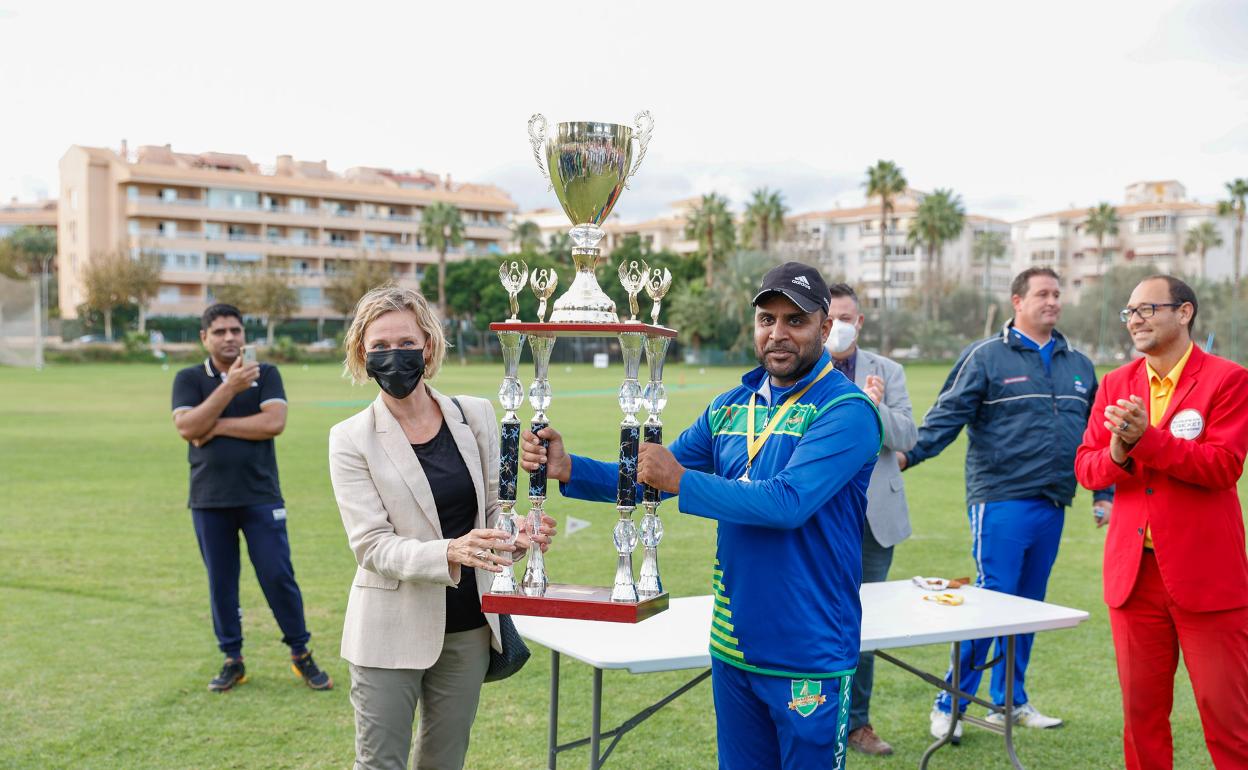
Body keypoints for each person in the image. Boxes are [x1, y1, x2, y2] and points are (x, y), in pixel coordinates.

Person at [523, 262, 882, 770]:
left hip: (810, 648)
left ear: (825, 329)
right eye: (766, 319)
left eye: (795, 321)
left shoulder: (846, 411)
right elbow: (651, 475)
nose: (777, 334)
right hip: (732, 643)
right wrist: (570, 468)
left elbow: (787, 503)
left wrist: (682, 481)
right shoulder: (730, 407)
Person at [328, 286, 556, 770]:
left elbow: (495, 507)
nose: (394, 356)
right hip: (388, 630)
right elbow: (372, 547)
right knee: (379, 764)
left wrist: (516, 537)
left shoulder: (474, 415)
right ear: (362, 355)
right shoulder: (350, 438)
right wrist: (451, 551)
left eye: (406, 343)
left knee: (444, 762)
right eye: (380, 347)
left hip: (470, 629)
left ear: (428, 345)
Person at [898, 267, 1111, 738]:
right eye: (1042, 293)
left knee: (1028, 608)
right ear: (1017, 301)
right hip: (1000, 501)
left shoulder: (1078, 363)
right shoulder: (986, 356)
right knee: (990, 605)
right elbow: (947, 416)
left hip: (1053, 501)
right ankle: (949, 703)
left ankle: (1009, 702)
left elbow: (1098, 435)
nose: (1052, 301)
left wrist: (1104, 493)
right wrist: (906, 455)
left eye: (1057, 293)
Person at [1075, 275, 1248, 770]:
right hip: (1136, 579)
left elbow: (1222, 466)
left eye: (1148, 309)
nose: (1136, 320)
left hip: (1206, 578)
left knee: (1229, 720)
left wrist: (1146, 440)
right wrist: (1117, 451)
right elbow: (1087, 468)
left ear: (1185, 312)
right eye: (1130, 312)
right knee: (1141, 719)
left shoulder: (1228, 379)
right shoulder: (1115, 383)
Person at [171, 303, 331, 692]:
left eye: (235, 331)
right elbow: (187, 427)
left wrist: (216, 425)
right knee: (221, 583)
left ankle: (300, 653)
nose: (229, 338)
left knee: (278, 576)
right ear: (204, 338)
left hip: (260, 496)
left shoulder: (266, 373)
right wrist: (229, 389)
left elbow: (273, 422)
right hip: (209, 500)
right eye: (220, 331)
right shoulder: (189, 378)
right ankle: (232, 659)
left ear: (244, 335)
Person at [824, 283, 918, 757]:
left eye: (847, 317)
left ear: (859, 322)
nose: (840, 326)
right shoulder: (806, 368)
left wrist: (873, 406)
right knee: (822, 617)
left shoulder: (888, 371)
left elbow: (906, 435)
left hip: (873, 521)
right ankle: (818, 716)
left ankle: (857, 723)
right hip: (818, 517)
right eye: (831, 317)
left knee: (866, 622)